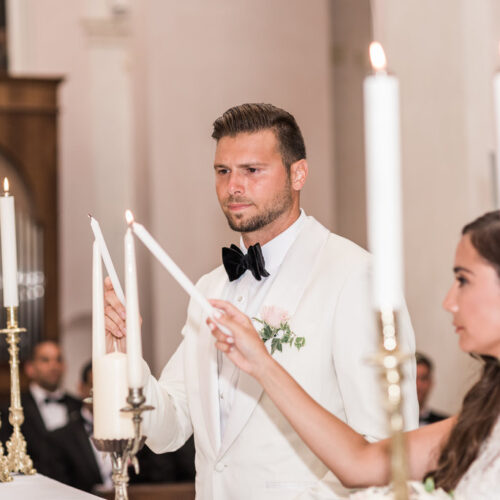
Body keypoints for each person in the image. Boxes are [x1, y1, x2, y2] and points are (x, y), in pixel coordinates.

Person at [104, 103, 418, 499]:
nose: (233, 186)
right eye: (223, 171)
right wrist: (125, 357)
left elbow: (388, 449)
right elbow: (168, 431)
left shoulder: (355, 276)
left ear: (297, 173)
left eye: (252, 171)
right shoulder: (208, 288)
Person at [209, 210, 500, 498]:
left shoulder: (352, 271)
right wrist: (261, 365)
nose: (449, 301)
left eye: (463, 280)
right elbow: (360, 465)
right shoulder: (485, 415)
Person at [0, 341, 80, 480]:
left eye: (58, 360)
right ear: (30, 368)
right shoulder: (11, 410)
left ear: (65, 366)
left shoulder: (78, 406)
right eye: (45, 360)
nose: (53, 366)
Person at [416, 352, 448, 426]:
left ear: (431, 383)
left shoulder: (445, 424)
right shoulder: (385, 424)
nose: (418, 385)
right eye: (412, 379)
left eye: (423, 378)